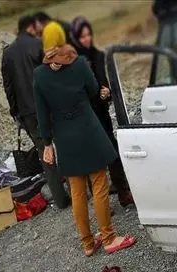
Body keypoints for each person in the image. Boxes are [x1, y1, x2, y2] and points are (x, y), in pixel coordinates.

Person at [33, 22, 137, 256]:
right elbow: (92, 91)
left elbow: (41, 113)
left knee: (77, 191)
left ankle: (88, 243)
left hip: (64, 137)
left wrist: (48, 143)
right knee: (99, 184)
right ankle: (109, 237)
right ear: (63, 39)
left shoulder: (39, 75)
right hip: (88, 130)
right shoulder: (78, 63)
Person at [1, 15, 70, 209]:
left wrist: (15, 112)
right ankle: (78, 191)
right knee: (63, 146)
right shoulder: (38, 46)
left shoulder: (7, 53)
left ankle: (60, 199)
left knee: (44, 153)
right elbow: (53, 73)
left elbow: (8, 87)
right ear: (32, 28)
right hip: (48, 106)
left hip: (26, 112)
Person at [70, 16, 135, 207]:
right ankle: (102, 203)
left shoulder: (97, 55)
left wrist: (105, 89)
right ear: (75, 38)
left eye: (89, 35)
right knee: (94, 159)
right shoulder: (73, 62)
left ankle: (123, 192)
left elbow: (103, 78)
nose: (87, 39)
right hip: (86, 115)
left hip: (101, 112)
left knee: (113, 153)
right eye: (82, 37)